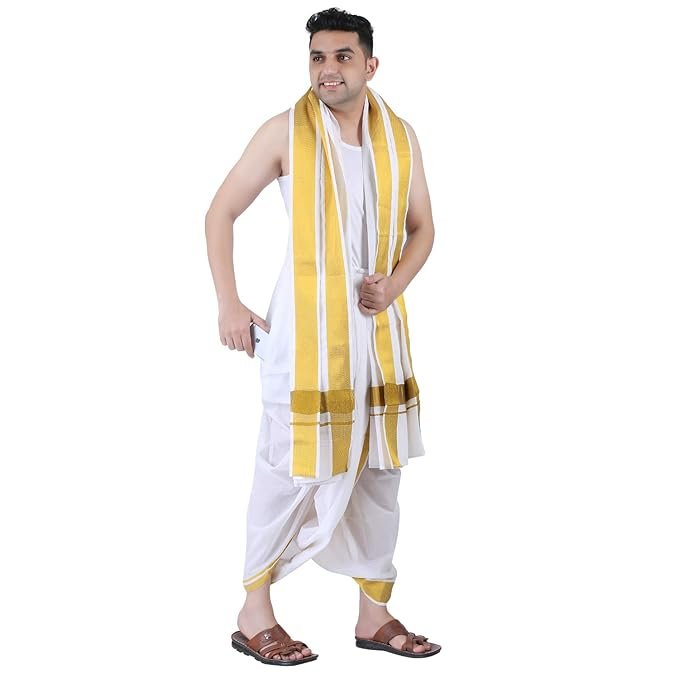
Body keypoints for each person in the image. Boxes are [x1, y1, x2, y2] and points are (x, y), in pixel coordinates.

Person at [205, 7, 439, 665]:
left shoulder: (400, 137)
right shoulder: (284, 131)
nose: (327, 69)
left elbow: (423, 226)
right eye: (316, 57)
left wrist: (392, 286)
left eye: (341, 56)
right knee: (288, 470)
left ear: (370, 64)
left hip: (378, 340)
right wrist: (229, 302)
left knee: (377, 474)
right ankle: (254, 613)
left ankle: (373, 613)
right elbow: (220, 211)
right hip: (304, 341)